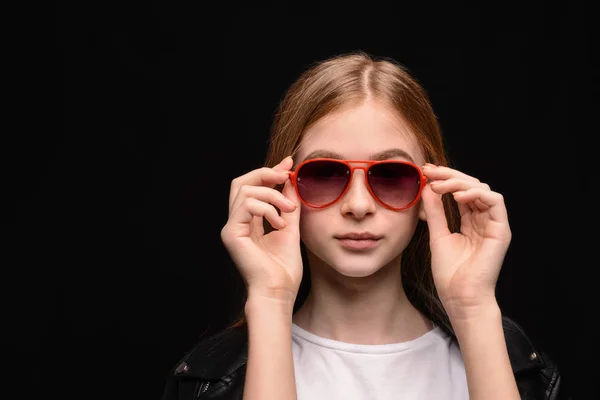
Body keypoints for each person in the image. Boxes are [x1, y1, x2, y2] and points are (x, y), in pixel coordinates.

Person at [161, 51, 571, 400]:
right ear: (281, 186)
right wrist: (269, 298)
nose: (358, 206)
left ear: (432, 188)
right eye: (324, 174)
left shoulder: (515, 364)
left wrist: (474, 306)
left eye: (391, 176)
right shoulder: (207, 378)